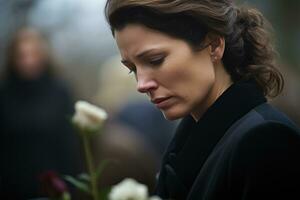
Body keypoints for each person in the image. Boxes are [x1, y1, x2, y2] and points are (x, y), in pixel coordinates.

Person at [104, 0, 300, 200]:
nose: (141, 84)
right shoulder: (185, 144)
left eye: (156, 60)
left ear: (214, 45)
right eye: (133, 69)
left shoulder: (265, 140)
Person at [0, 28, 82, 199]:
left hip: (54, 184)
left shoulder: (60, 91)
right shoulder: (4, 93)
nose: (28, 61)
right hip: (12, 186)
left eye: (33, 54)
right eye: (22, 55)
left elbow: (69, 145)